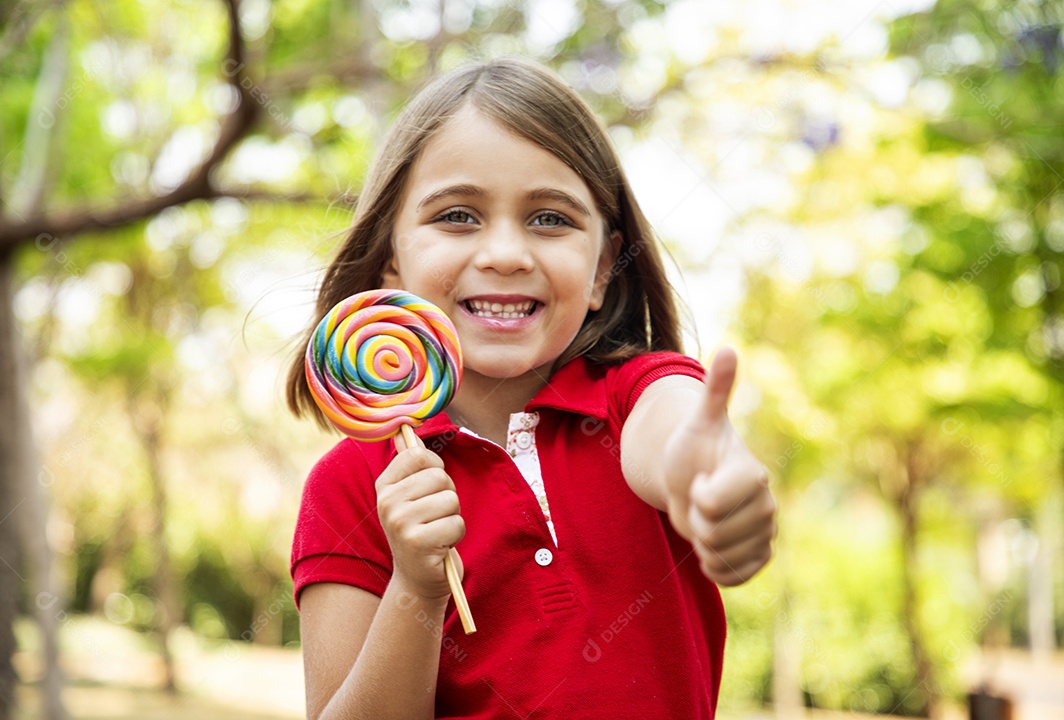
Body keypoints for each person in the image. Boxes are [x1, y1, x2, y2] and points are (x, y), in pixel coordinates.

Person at [285, 56, 776, 720]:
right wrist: (416, 590)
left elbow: (675, 433)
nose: (508, 253)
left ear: (604, 268)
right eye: (458, 215)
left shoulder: (635, 400)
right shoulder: (349, 487)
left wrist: (705, 471)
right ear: (391, 260)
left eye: (550, 219)